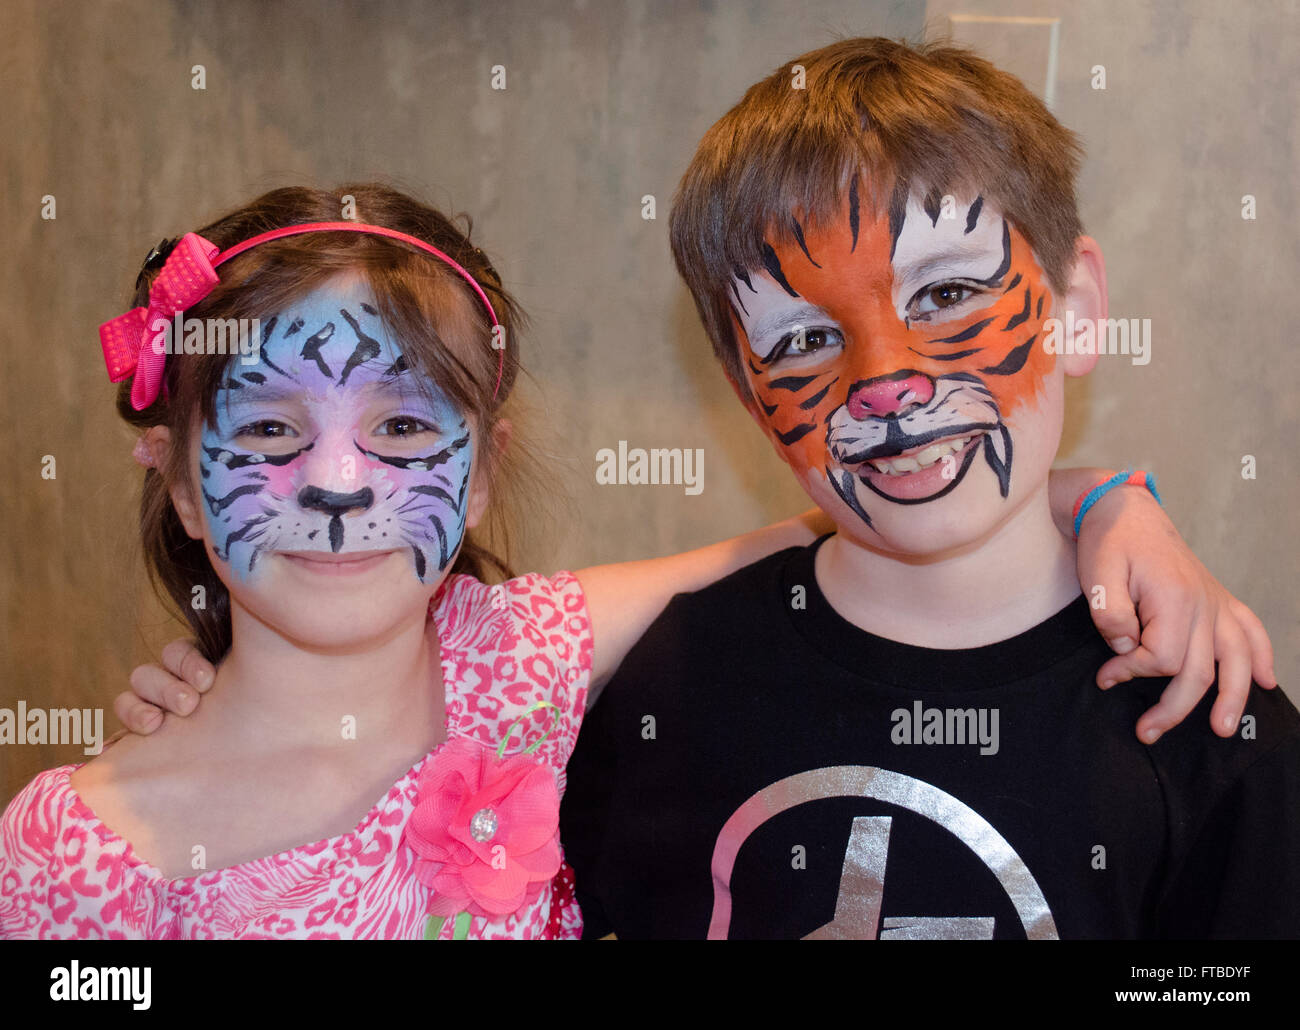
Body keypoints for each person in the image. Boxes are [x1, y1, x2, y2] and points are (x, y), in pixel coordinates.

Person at [557, 37, 1300, 939]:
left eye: (946, 294)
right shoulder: (667, 691)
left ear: (1077, 312)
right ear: (749, 395)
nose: (886, 379)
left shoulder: (1202, 708)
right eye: (801, 340)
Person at [0, 184, 854, 939]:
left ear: (481, 474)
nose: (337, 484)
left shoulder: (519, 655)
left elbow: (827, 525)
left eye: (402, 427)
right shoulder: (74, 850)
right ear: (183, 484)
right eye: (268, 429)